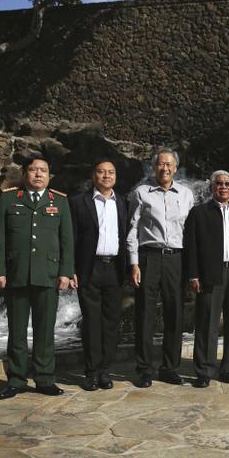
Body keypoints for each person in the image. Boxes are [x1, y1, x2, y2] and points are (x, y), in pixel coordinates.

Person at [0, 154, 74, 399]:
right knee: (16, 331)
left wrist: (65, 272)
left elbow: (67, 240)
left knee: (45, 331)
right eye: (34, 170)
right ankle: (16, 380)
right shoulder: (8, 199)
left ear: (49, 175)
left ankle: (44, 379)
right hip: (16, 275)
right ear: (25, 173)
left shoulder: (59, 202)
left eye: (43, 170)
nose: (39, 174)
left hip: (48, 276)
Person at [126, 147, 194, 387]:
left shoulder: (186, 194)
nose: (165, 168)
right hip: (149, 257)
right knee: (145, 312)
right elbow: (132, 230)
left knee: (174, 313)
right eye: (160, 164)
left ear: (176, 168)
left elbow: (190, 233)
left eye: (169, 164)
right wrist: (134, 263)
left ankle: (169, 367)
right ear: (154, 167)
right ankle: (144, 368)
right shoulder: (141, 193)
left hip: (176, 258)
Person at [184, 170, 229, 387]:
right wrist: (193, 274)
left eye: (227, 184)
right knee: (206, 323)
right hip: (210, 273)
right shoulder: (199, 213)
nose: (223, 187)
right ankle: (204, 370)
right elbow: (191, 246)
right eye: (219, 183)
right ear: (212, 187)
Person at [69, 158, 130, 391]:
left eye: (111, 172)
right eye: (101, 172)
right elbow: (72, 238)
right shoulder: (78, 202)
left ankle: (105, 370)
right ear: (94, 176)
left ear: (115, 176)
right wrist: (71, 269)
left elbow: (127, 236)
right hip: (89, 268)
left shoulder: (124, 202)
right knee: (91, 322)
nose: (106, 176)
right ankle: (91, 372)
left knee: (111, 322)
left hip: (115, 268)